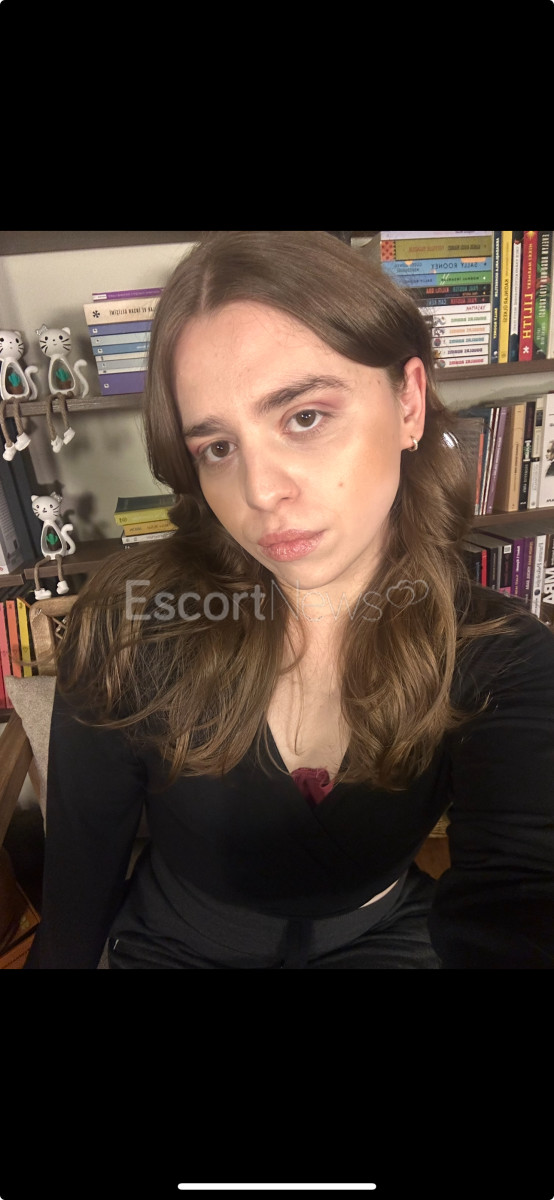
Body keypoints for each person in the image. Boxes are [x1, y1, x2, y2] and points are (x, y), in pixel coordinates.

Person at [25, 230, 554, 969]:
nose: (260, 491)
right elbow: (79, 881)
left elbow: (521, 893)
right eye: (218, 447)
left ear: (408, 401)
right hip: (174, 942)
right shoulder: (132, 623)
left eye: (304, 416)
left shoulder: (504, 658)